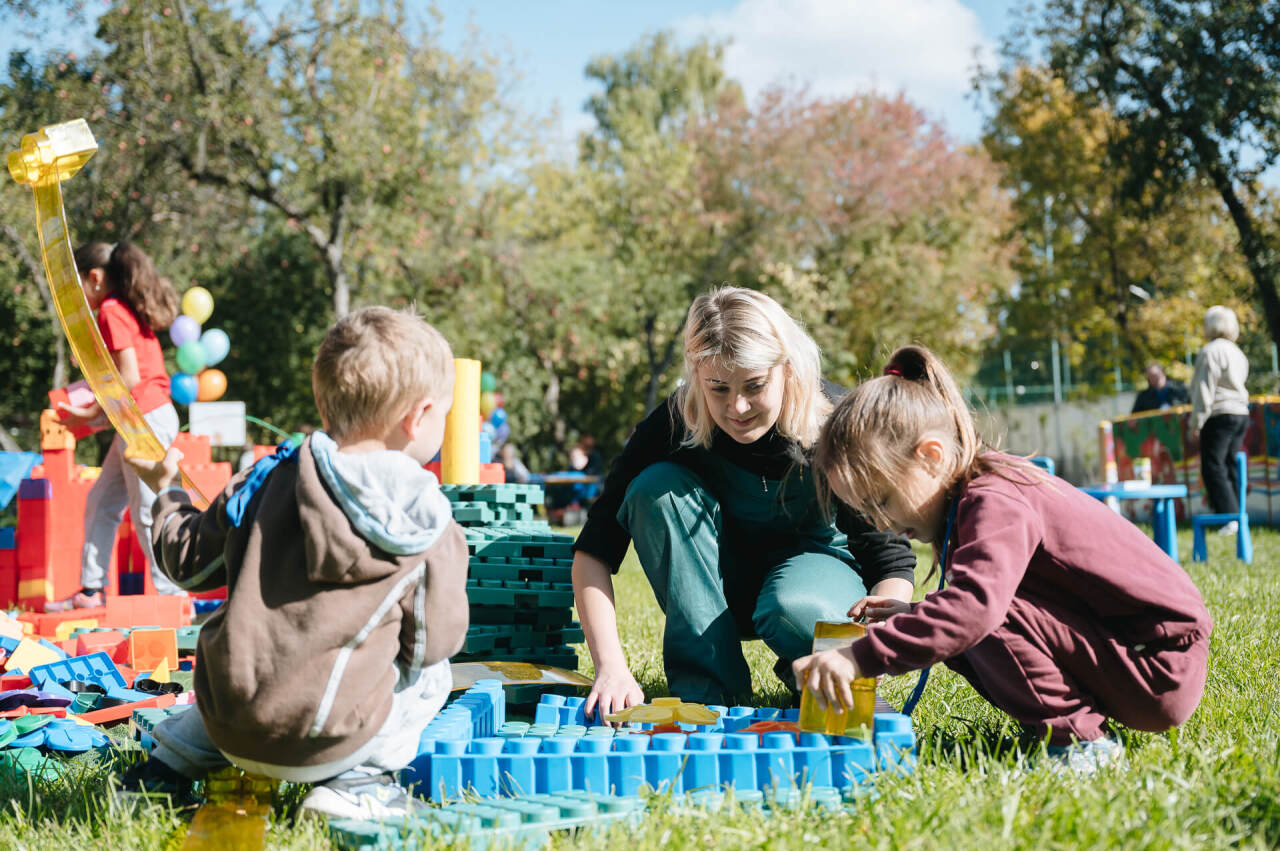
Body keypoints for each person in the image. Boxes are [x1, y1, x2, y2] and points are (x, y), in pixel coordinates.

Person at [119, 306, 469, 819]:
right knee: (435, 672)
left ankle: (163, 771)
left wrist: (167, 491)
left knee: (252, 656)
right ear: (418, 417)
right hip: (331, 741)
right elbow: (430, 644)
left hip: (230, 726)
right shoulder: (427, 514)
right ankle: (357, 787)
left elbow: (186, 563)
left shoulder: (265, 476)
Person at [795, 345, 1213, 772]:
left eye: (881, 500)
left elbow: (977, 608)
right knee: (964, 621)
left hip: (1158, 664)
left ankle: (1080, 744)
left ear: (932, 457)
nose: (880, 524)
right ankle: (1064, 727)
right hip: (1135, 656)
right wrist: (914, 614)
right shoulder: (976, 494)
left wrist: (858, 656)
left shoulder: (994, 498)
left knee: (978, 618)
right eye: (866, 512)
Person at [572, 287, 916, 717]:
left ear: (787, 368)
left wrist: (872, 650)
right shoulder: (673, 422)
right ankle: (710, 689)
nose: (737, 407)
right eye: (718, 388)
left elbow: (892, 562)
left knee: (795, 607)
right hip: (716, 589)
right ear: (697, 375)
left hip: (813, 584)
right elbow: (593, 552)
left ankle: (810, 671)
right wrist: (611, 668)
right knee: (652, 486)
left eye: (754, 385)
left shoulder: (839, 420)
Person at [47, 242, 185, 611]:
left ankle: (173, 595)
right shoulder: (122, 309)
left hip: (145, 420)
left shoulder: (110, 309)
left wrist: (89, 414)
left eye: (77, 286)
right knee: (102, 501)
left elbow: (128, 376)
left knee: (145, 510)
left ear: (94, 278)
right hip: (138, 420)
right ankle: (91, 590)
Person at [1191, 305, 1251, 535]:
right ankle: (1238, 513)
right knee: (1229, 464)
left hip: (1219, 413)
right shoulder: (1237, 351)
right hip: (1240, 412)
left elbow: (1204, 390)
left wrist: (1196, 423)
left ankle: (1230, 516)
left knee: (1212, 467)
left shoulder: (1210, 351)